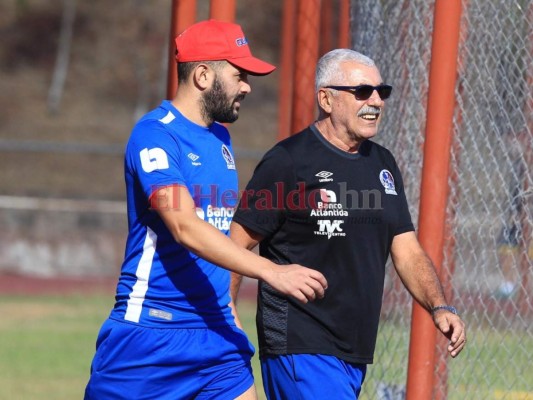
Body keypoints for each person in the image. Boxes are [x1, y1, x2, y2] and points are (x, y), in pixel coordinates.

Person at [84, 19, 327, 400]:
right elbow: (184, 225)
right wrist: (270, 271)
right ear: (201, 75)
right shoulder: (154, 135)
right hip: (151, 335)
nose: (246, 85)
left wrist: (227, 301)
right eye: (238, 74)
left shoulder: (220, 137)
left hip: (217, 338)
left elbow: (219, 227)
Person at [229, 48, 467, 399]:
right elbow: (236, 244)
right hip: (299, 342)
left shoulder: (382, 164)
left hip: (353, 349)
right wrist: (227, 316)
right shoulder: (288, 161)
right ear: (326, 99)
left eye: (380, 92)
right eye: (361, 92)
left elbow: (407, 250)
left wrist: (439, 305)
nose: (376, 101)